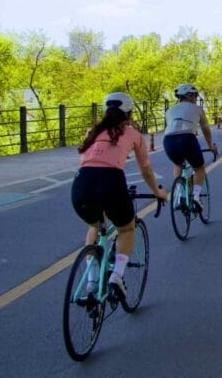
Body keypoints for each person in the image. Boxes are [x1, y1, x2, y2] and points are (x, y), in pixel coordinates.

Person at [71, 92, 167, 300]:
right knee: (127, 227)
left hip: (81, 183)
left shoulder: (93, 131)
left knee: (95, 226)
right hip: (111, 181)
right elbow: (146, 170)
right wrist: (157, 192)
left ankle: (92, 277)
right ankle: (117, 275)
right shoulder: (133, 134)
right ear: (129, 114)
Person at [164, 83, 218, 214]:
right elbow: (205, 129)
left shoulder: (169, 111)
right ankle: (196, 197)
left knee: (178, 164)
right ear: (188, 95)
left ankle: (180, 192)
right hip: (187, 138)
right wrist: (210, 145)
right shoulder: (198, 109)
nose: (196, 97)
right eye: (194, 95)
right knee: (199, 169)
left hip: (168, 140)